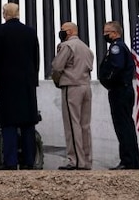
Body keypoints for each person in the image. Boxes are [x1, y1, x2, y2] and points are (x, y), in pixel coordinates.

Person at [0, 2, 40, 170]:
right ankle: (29, 162)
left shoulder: (0, 31)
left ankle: (10, 161)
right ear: (18, 14)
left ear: (4, 14)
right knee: (28, 123)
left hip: (7, 83)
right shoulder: (30, 32)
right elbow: (35, 58)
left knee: (8, 123)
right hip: (26, 84)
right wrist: (33, 80)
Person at [50, 21, 94, 170]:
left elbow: (57, 66)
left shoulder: (67, 46)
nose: (61, 32)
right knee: (85, 125)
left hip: (72, 86)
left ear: (69, 32)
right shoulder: (87, 48)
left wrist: (57, 80)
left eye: (62, 29)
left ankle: (75, 160)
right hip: (86, 86)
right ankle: (86, 161)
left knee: (72, 124)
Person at [98, 20, 139, 170]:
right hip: (123, 90)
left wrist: (107, 80)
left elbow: (115, 68)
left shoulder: (117, 47)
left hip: (120, 91)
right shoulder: (120, 47)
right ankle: (132, 161)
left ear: (115, 33)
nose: (104, 35)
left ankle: (128, 161)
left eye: (107, 32)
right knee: (127, 126)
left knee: (123, 127)